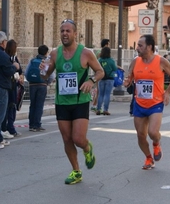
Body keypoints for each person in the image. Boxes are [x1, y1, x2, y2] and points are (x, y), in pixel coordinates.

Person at [40, 19, 104, 184]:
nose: (65, 34)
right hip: (62, 101)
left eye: (68, 31)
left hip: (80, 100)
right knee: (67, 139)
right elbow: (46, 75)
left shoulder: (86, 53)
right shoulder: (55, 53)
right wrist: (43, 71)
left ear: (75, 34)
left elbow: (100, 71)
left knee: (78, 138)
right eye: (62, 31)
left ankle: (87, 148)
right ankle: (76, 171)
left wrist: (91, 81)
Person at [123, 34, 170, 170]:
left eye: (140, 45)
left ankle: (156, 143)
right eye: (137, 45)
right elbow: (129, 76)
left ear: (149, 47)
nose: (137, 48)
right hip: (139, 103)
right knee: (141, 135)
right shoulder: (136, 61)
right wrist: (127, 81)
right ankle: (148, 158)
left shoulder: (161, 61)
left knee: (153, 133)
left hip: (155, 103)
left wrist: (167, 93)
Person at [25, 44, 55, 132]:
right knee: (39, 105)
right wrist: (47, 82)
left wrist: (30, 80)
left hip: (32, 85)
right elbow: (51, 75)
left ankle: (31, 124)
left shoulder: (32, 61)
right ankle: (37, 124)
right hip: (42, 85)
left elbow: (27, 73)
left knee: (32, 104)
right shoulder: (46, 62)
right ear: (46, 52)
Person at [1, 39, 23, 137]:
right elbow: (19, 69)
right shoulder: (11, 58)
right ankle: (10, 128)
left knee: (8, 107)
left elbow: (20, 70)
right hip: (11, 85)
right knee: (11, 106)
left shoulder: (5, 56)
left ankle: (5, 127)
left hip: (10, 84)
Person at [96, 46, 117, 115]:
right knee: (107, 94)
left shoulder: (99, 60)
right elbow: (114, 69)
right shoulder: (111, 60)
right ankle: (105, 109)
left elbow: (96, 68)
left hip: (101, 78)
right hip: (110, 78)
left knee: (100, 94)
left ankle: (98, 109)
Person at [91, 38, 110, 112]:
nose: (109, 46)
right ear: (105, 44)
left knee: (99, 91)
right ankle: (95, 105)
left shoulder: (100, 52)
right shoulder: (100, 53)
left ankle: (95, 105)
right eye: (108, 44)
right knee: (99, 91)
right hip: (100, 74)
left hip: (100, 74)